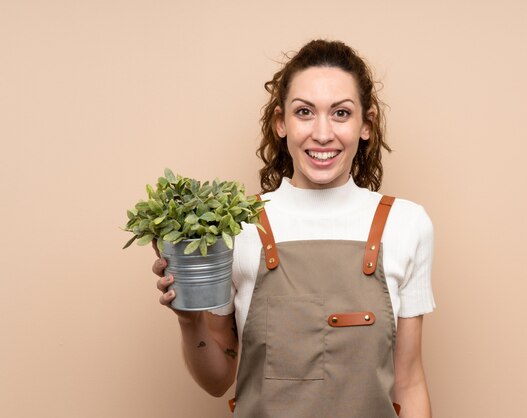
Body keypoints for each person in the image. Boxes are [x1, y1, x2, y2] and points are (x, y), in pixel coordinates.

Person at [151, 39, 435, 418]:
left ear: (365, 125)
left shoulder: (407, 223)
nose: (321, 133)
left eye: (340, 113)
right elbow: (217, 380)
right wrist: (189, 319)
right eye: (305, 112)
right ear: (281, 123)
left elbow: (410, 381)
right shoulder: (237, 225)